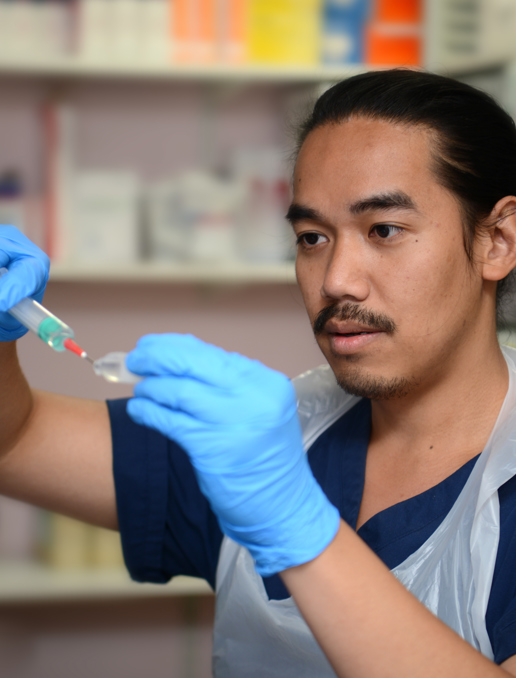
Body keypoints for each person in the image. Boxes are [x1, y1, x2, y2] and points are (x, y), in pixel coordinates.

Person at [1, 69, 516, 678]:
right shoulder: (268, 440)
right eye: (312, 237)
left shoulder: (266, 473)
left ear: (497, 240)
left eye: (384, 230)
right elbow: (15, 439)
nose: (336, 280)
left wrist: (299, 529)